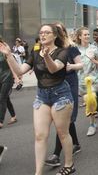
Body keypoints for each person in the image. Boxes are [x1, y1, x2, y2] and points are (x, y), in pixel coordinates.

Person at [0, 24, 76, 175]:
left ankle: (69, 165)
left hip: (61, 95)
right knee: (40, 135)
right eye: (41, 32)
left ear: (54, 36)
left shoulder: (63, 52)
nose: (43, 35)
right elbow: (20, 71)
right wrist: (8, 55)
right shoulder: (35, 53)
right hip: (42, 96)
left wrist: (46, 56)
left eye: (47, 32)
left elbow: (54, 68)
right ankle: (38, 172)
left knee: (62, 133)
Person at [45, 22, 83, 167]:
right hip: (54, 85)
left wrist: (70, 66)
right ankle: (77, 144)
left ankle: (56, 154)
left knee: (64, 119)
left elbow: (80, 64)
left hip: (69, 84)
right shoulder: (53, 48)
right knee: (66, 119)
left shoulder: (71, 47)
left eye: (59, 29)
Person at [75, 27, 98, 136]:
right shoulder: (75, 49)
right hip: (80, 79)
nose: (87, 36)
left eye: (88, 34)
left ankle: (92, 124)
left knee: (91, 99)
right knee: (87, 100)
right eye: (84, 35)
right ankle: (93, 120)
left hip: (93, 79)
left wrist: (93, 60)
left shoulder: (94, 48)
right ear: (80, 36)